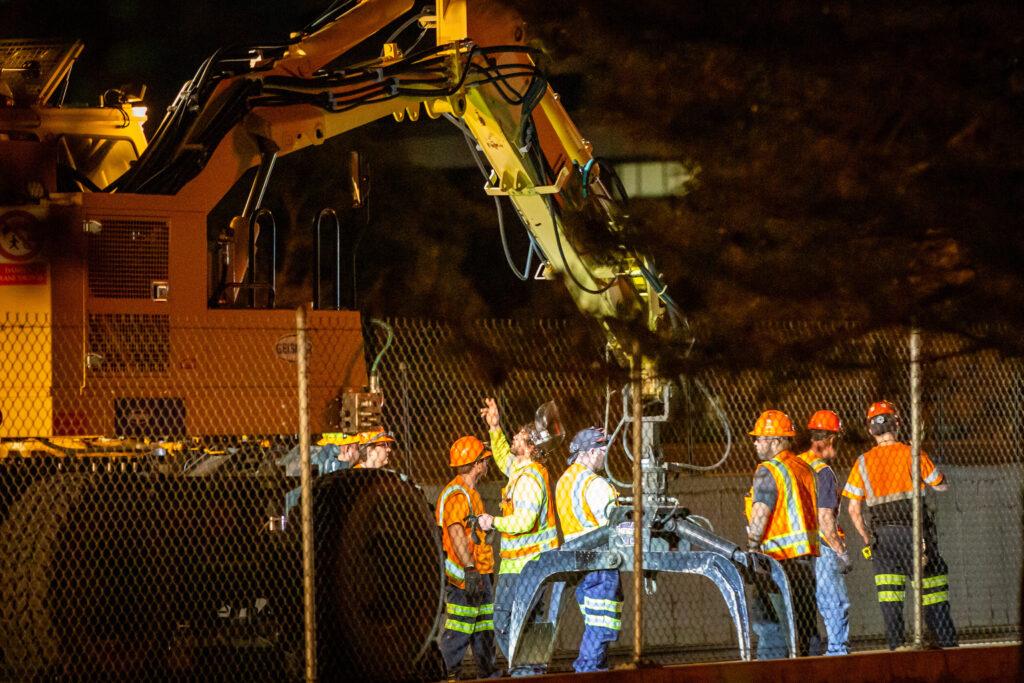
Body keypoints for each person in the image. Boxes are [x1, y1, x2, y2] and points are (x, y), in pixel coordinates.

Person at [842, 400, 957, 650]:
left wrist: (867, 540)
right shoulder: (911, 453)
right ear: (897, 423)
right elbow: (941, 485)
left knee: (890, 603)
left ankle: (896, 656)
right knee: (933, 595)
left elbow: (853, 509)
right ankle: (946, 648)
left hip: (882, 541)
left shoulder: (862, 462)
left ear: (870, 429)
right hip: (915, 535)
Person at [475, 398, 559, 675]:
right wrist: (494, 427)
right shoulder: (522, 471)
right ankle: (532, 671)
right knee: (529, 621)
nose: (515, 435)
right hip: (527, 564)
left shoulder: (530, 479)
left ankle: (525, 670)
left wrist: (493, 522)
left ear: (530, 448)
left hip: (525, 565)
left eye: (520, 436)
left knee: (503, 619)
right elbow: (502, 458)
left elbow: (524, 521)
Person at [744, 409, 820, 659]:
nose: (755, 443)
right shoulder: (803, 468)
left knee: (770, 628)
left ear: (776, 440)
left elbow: (761, 512)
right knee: (805, 626)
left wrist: (752, 547)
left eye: (760, 438)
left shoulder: (769, 470)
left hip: (777, 561)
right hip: (805, 559)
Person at [554, 426, 622, 672]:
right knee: (601, 625)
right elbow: (613, 524)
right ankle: (586, 671)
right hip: (601, 562)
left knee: (594, 621)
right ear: (592, 452)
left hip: (578, 563)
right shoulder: (596, 484)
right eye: (603, 450)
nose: (606, 456)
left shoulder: (563, 482)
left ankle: (596, 670)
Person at [436, 436, 497, 679]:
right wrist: (470, 569)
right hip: (464, 577)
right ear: (476, 464)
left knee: (483, 628)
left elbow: (472, 534)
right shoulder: (457, 494)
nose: (486, 464)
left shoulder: (472, 494)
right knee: (460, 628)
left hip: (478, 574)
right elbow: (456, 532)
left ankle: (488, 673)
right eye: (484, 460)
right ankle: (448, 673)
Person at [799, 410, 852, 656]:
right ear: (831, 439)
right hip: (821, 548)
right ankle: (838, 659)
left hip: (796, 550)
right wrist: (841, 552)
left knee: (805, 610)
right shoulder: (823, 472)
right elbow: (825, 519)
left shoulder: (796, 465)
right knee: (835, 606)